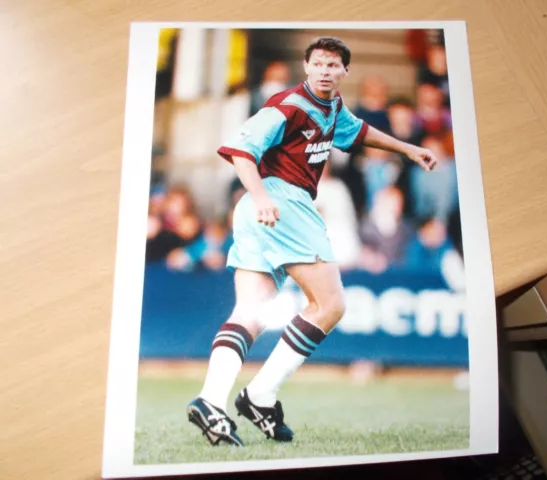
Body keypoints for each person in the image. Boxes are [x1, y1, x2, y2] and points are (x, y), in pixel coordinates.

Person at [186, 36, 437, 447]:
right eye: (318, 63)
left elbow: (360, 133)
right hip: (279, 201)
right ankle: (261, 395)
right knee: (331, 304)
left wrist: (407, 148)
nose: (324, 70)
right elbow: (240, 151)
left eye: (333, 65)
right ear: (306, 66)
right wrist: (264, 197)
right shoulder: (289, 104)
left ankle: (211, 400)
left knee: (251, 312)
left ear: (344, 73)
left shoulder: (333, 108)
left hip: (258, 210)